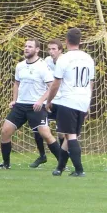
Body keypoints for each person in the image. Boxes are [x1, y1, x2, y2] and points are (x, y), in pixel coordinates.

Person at [0, 39, 61, 169]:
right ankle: (6, 164)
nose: (26, 48)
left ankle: (62, 163)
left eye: (30, 46)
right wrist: (14, 99)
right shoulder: (20, 65)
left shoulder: (43, 66)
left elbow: (51, 87)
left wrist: (40, 101)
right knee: (5, 131)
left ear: (37, 49)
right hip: (20, 106)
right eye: (25, 46)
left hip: (36, 107)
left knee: (46, 135)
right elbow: (16, 83)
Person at [46, 28, 95, 177]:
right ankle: (59, 168)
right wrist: (88, 102)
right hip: (83, 100)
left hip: (68, 100)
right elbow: (90, 83)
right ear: (80, 41)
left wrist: (49, 101)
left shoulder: (64, 59)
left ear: (66, 41)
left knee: (70, 135)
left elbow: (55, 83)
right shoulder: (88, 58)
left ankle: (79, 170)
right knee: (68, 136)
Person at [40, 39, 69, 168]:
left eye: (54, 49)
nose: (51, 52)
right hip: (50, 100)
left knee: (62, 133)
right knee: (39, 127)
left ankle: (64, 161)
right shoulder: (46, 61)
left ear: (60, 50)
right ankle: (42, 155)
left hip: (63, 100)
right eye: (49, 49)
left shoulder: (66, 61)